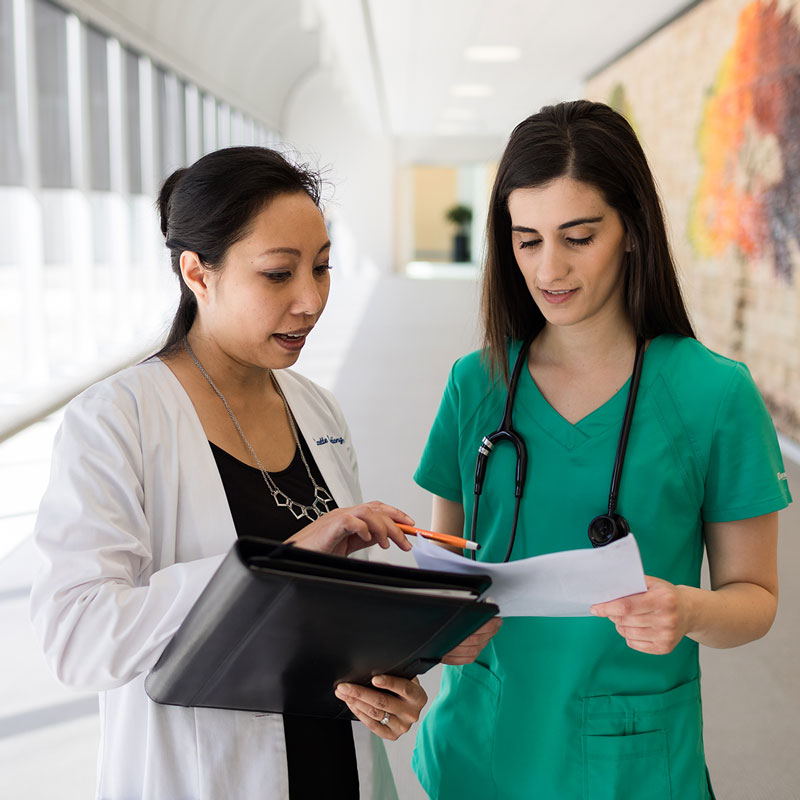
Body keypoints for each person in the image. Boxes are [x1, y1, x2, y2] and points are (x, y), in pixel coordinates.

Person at [411, 100, 791, 799]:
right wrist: (435, 626)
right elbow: (445, 567)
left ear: (632, 232)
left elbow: (757, 600)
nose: (549, 268)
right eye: (527, 240)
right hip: (481, 745)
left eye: (577, 236)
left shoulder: (712, 394)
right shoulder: (476, 384)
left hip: (629, 764)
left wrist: (689, 610)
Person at [29, 146, 428, 800]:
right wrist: (269, 566)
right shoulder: (115, 421)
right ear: (198, 274)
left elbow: (327, 616)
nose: (310, 300)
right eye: (278, 274)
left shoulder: (315, 408)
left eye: (323, 269)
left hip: (335, 768)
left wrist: (388, 678)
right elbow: (79, 637)